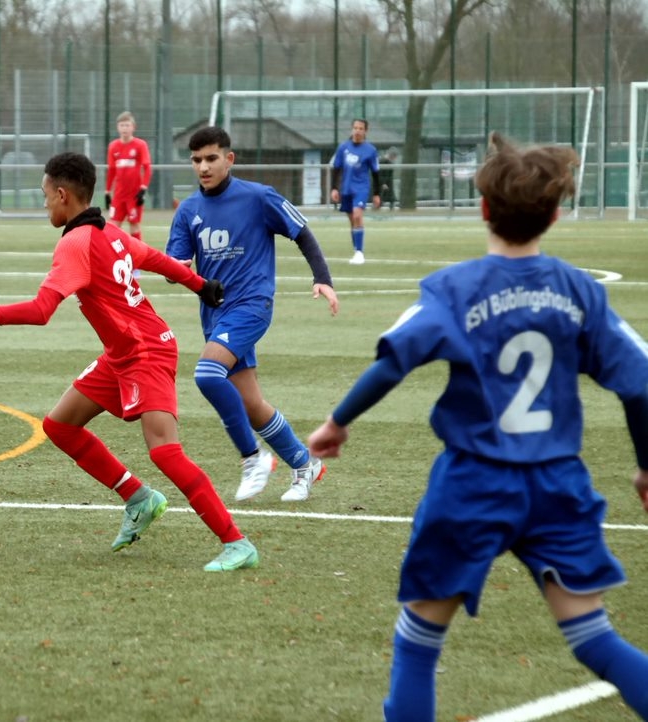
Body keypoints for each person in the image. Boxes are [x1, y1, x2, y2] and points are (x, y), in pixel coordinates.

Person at [307, 133, 648, 722]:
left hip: (472, 483)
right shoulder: (581, 292)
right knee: (593, 637)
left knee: (419, 641)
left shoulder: (454, 288)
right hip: (558, 485)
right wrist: (645, 465)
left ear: (484, 208)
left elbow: (393, 362)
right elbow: (639, 384)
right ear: (555, 215)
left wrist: (337, 422)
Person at [0, 151, 259, 572]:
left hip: (146, 352)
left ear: (63, 195)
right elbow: (152, 257)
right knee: (60, 426)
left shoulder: (75, 243)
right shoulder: (108, 231)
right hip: (122, 353)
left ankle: (236, 542)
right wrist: (198, 284)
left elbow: (41, 311)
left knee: (165, 452)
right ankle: (139, 498)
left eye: (45, 194)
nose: (44, 203)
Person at [166, 125, 338, 503]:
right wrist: (175, 271)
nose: (203, 167)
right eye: (196, 160)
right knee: (251, 404)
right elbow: (177, 266)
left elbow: (301, 232)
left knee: (207, 374)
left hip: (252, 306)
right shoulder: (188, 210)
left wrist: (322, 278)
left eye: (211, 158)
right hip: (215, 316)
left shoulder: (259, 197)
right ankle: (304, 463)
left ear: (229, 159)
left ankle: (252, 458)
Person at [330, 118, 381, 265]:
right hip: (346, 188)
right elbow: (336, 168)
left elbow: (375, 173)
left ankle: (359, 253)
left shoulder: (370, 150)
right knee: (352, 221)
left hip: (361, 188)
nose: (357, 131)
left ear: (365, 131)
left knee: (358, 215)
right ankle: (356, 250)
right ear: (352, 129)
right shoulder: (343, 147)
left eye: (361, 128)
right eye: (355, 128)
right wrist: (334, 188)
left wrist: (376, 194)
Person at [105, 111, 152, 244]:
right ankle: (114, 254)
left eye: (127, 125)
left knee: (134, 225)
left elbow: (147, 167)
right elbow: (112, 170)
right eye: (122, 125)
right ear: (117, 127)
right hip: (119, 195)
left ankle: (138, 255)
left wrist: (143, 189)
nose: (124, 128)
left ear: (133, 127)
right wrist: (107, 191)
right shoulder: (113, 146)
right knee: (112, 226)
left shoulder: (140, 145)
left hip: (134, 194)